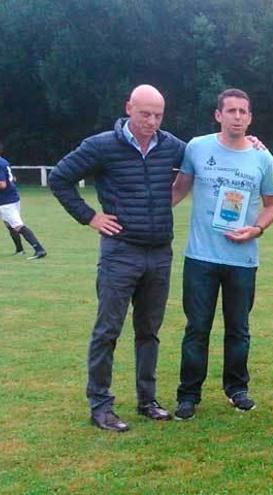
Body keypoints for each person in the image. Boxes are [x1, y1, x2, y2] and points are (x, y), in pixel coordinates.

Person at [49, 85, 185, 432]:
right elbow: (59, 178)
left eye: (158, 115)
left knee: (149, 332)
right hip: (120, 253)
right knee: (108, 330)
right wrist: (90, 216)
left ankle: (147, 399)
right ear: (128, 108)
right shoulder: (101, 146)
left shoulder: (170, 145)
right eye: (145, 114)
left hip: (160, 253)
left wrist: (253, 144)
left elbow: (209, 156)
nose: (151, 122)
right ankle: (101, 405)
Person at [170, 89, 273, 420]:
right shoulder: (197, 148)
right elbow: (178, 190)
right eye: (230, 110)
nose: (237, 116)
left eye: (243, 111)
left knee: (239, 329)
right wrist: (144, 215)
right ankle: (189, 395)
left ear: (250, 117)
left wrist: (256, 229)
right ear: (218, 114)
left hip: (243, 259)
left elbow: (272, 206)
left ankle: (237, 389)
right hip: (201, 257)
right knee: (197, 328)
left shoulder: (263, 158)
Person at [0, 144, 47, 259]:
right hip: (12, 197)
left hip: (6, 201)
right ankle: (20, 250)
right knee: (10, 224)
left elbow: (2, 185)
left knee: (17, 226)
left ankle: (39, 249)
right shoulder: (3, 161)